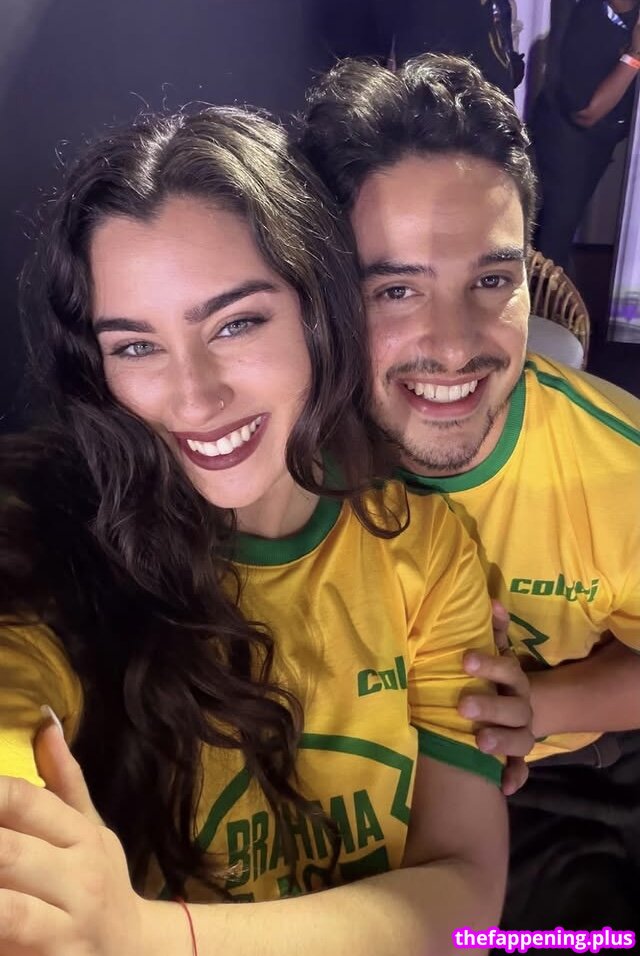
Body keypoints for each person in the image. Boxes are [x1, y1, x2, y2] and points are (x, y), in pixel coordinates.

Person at [0, 105, 510, 955]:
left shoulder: (425, 550)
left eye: (236, 323)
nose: (194, 396)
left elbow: (466, 897)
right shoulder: (54, 548)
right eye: (136, 347)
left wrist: (147, 936)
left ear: (319, 310)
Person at [299, 52, 640, 935]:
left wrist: (541, 708)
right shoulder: (272, 459)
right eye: (396, 289)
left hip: (555, 785)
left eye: (492, 281)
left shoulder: (622, 470)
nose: (453, 347)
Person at [531, 0, 640, 271]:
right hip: (565, 143)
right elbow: (586, 112)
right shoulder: (586, 23)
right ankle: (542, 296)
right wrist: (635, 55)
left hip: (597, 140)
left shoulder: (628, 19)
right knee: (552, 239)